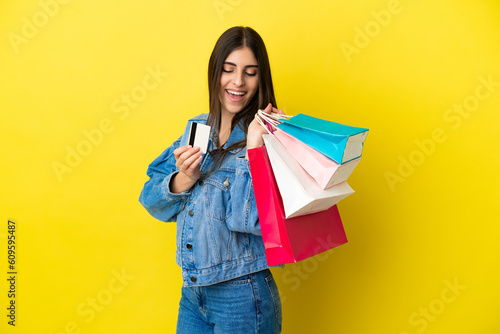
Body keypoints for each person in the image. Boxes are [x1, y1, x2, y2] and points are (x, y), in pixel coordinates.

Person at [139, 26, 283, 334]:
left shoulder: (272, 138)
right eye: (228, 70)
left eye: (250, 72)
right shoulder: (198, 128)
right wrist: (184, 179)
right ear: (215, 73)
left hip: (243, 296)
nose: (238, 82)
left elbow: (255, 222)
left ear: (261, 80)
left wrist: (254, 149)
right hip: (193, 293)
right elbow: (151, 200)